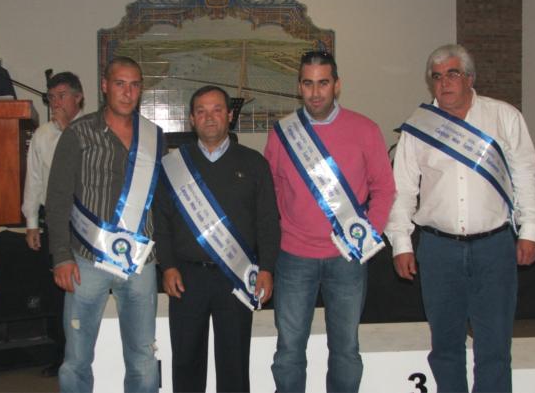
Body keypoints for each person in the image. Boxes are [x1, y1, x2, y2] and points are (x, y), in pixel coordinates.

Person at [385, 44, 535, 393]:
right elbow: (403, 189)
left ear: (470, 78)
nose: (444, 83)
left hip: (494, 247)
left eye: (452, 74)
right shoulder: (419, 127)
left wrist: (531, 229)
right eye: (437, 77)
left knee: (494, 347)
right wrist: (400, 243)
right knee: (445, 348)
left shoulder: (504, 117)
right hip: (438, 250)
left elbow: (526, 175)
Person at [265, 51, 395, 393]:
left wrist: (368, 234)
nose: (315, 92)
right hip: (294, 256)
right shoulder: (282, 134)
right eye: (308, 84)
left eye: (323, 83)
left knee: (346, 350)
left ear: (337, 85)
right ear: (299, 87)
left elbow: (384, 188)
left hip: (347, 257)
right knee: (289, 351)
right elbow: (272, 188)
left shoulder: (365, 129)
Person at [45, 57, 162, 393]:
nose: (128, 92)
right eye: (120, 84)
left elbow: (158, 199)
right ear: (105, 86)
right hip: (85, 260)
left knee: (143, 357)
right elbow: (58, 198)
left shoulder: (154, 137)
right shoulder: (78, 134)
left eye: (135, 85)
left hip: (140, 263)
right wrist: (61, 256)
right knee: (77, 358)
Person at [154, 85, 280, 393]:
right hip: (186, 277)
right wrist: (167, 266)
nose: (209, 117)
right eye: (201, 111)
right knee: (186, 361)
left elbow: (267, 222)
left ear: (230, 115)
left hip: (236, 276)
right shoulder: (173, 166)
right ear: (191, 119)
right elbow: (161, 222)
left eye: (217, 110)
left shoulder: (254, 163)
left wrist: (267, 268)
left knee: (234, 363)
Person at [21, 71, 85, 377]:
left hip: (87, 222)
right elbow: (34, 179)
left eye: (62, 96)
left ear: (78, 98)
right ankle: (62, 355)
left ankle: (89, 353)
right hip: (56, 222)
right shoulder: (42, 135)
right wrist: (31, 221)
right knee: (58, 291)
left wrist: (68, 131)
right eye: (51, 98)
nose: (56, 103)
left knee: (87, 286)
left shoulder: (92, 131)